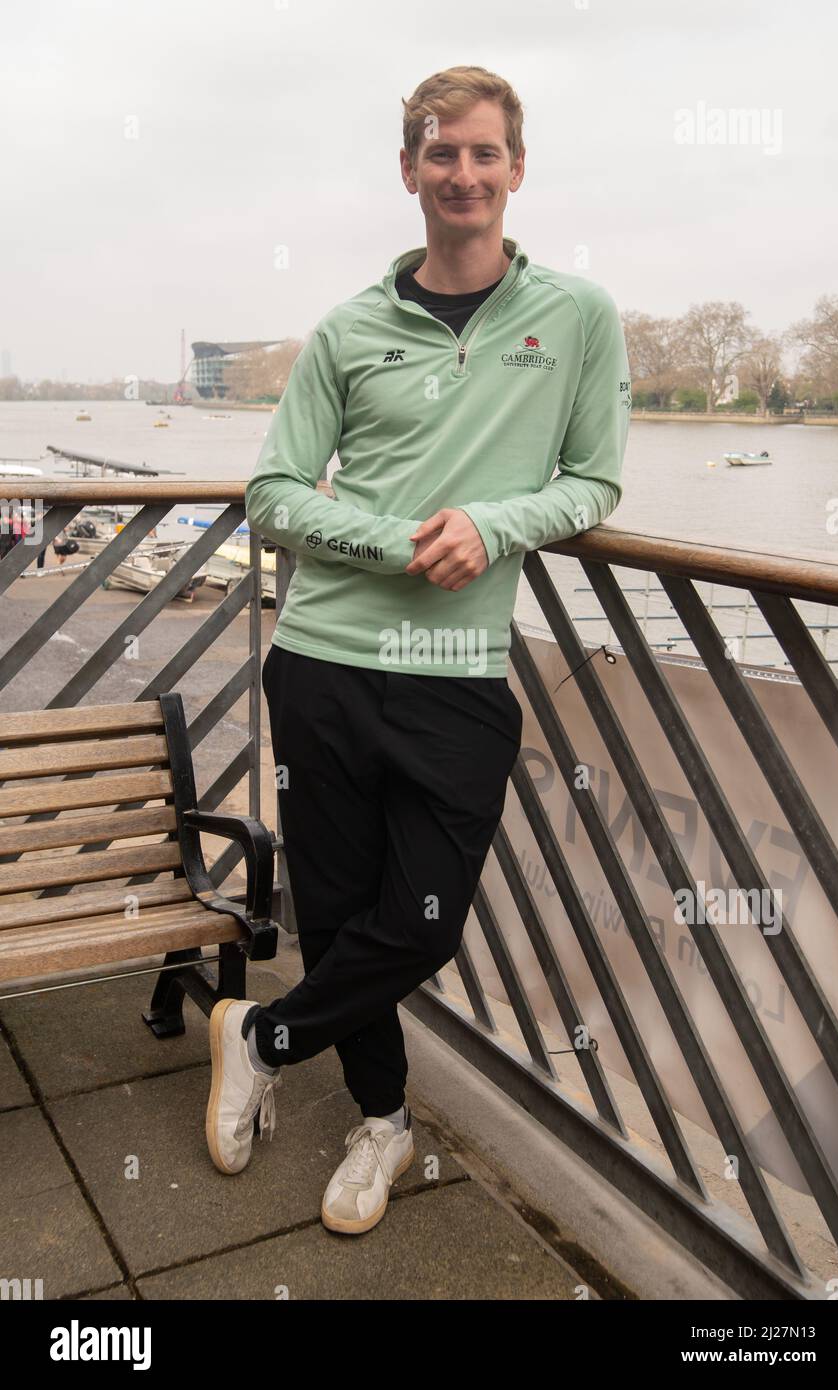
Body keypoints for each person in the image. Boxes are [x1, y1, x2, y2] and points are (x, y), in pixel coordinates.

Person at [207, 64, 630, 1235]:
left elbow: (592, 479)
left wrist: (492, 524)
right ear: (409, 171)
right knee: (337, 917)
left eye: (483, 153)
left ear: (514, 169)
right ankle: (382, 1122)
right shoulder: (348, 327)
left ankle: (263, 1037)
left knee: (426, 918)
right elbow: (272, 494)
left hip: (454, 678)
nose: (461, 173)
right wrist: (397, 542)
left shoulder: (577, 319)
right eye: (439, 154)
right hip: (323, 656)